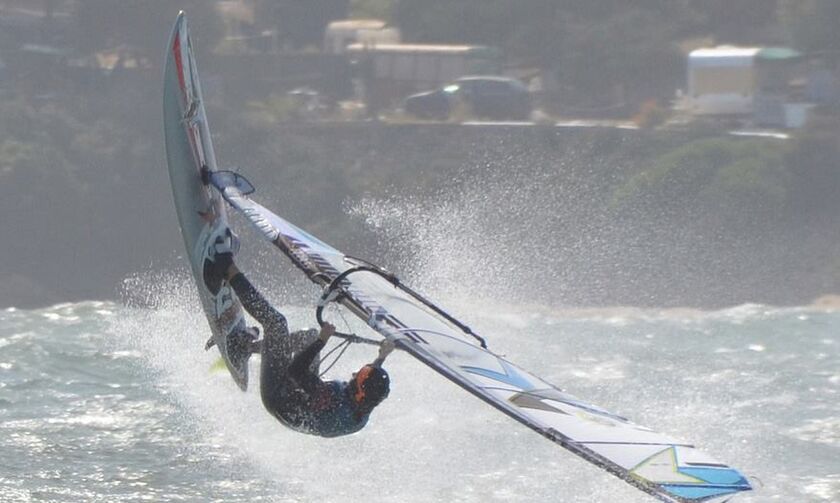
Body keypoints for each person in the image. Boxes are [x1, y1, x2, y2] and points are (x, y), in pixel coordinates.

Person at [205, 243, 395, 438]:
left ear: (359, 389)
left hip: (279, 396)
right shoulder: (365, 402)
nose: (355, 372)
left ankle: (227, 268)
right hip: (300, 393)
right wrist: (382, 356)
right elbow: (371, 385)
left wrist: (322, 341)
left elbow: (296, 370)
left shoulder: (333, 403)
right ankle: (247, 347)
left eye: (359, 375)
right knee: (309, 336)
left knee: (277, 324)